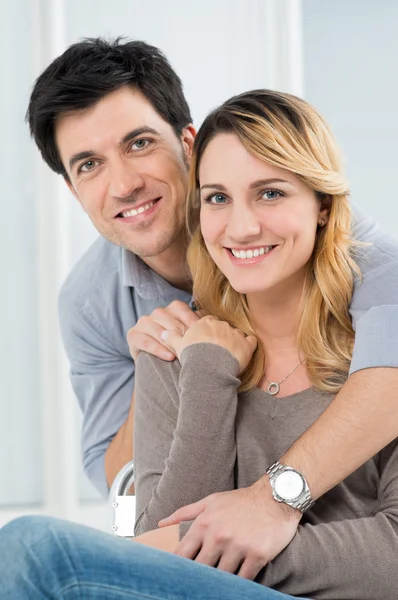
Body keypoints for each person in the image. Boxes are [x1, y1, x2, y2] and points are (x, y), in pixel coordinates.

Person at [2, 88, 397, 600]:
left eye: (271, 193)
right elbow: (133, 521)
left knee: (34, 550)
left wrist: (238, 533)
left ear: (323, 205)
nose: (242, 225)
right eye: (218, 198)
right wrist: (202, 370)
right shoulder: (122, 323)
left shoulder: (378, 335)